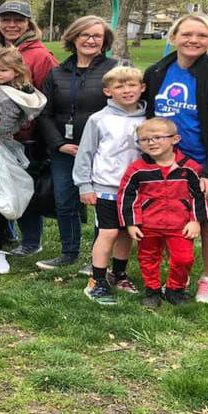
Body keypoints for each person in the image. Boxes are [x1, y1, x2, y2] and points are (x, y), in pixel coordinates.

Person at [144, 12, 208, 304]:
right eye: (186, 34)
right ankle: (171, 278)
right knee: (168, 223)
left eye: (202, 35)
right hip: (168, 165)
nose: (193, 40)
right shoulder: (157, 72)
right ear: (173, 37)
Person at [0, 0, 59, 258]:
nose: (12, 25)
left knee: (25, 186)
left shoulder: (41, 56)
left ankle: (31, 240)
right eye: (6, 20)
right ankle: (4, 232)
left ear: (28, 23)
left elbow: (47, 98)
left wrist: (22, 123)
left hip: (26, 138)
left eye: (18, 20)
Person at [36, 15, 119, 272]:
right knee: (64, 200)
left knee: (102, 204)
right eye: (85, 34)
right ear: (73, 38)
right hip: (65, 149)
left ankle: (98, 256)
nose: (91, 40)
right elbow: (45, 113)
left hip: (103, 151)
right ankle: (68, 251)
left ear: (105, 41)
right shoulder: (57, 73)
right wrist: (58, 143)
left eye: (97, 36)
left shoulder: (115, 70)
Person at [118, 118, 208, 308]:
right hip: (148, 224)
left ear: (175, 139)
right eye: (145, 139)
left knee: (183, 258)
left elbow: (200, 195)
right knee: (148, 258)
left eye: (157, 137)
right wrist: (131, 223)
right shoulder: (137, 169)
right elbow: (126, 196)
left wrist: (195, 221)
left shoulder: (189, 167)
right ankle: (152, 290)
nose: (151, 142)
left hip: (181, 225)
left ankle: (174, 289)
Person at [71, 66, 146, 305]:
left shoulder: (148, 119)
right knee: (109, 232)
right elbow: (85, 154)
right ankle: (97, 279)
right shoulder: (99, 119)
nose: (126, 90)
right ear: (107, 91)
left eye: (132, 85)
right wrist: (84, 184)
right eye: (119, 86)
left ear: (142, 88)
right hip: (106, 187)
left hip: (136, 190)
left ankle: (119, 274)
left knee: (126, 233)